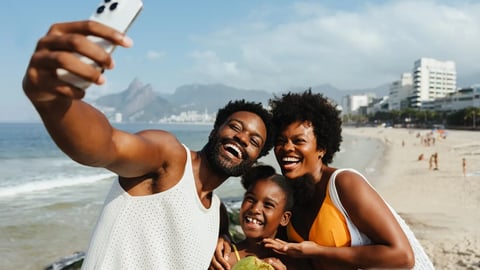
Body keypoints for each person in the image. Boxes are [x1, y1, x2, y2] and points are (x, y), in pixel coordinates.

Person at [22, 20, 275, 269]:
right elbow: (106, 145)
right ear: (215, 130)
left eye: (254, 141)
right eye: (235, 126)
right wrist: (53, 101)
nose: (242, 138)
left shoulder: (217, 214)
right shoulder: (169, 157)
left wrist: (226, 238)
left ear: (254, 159)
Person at [262, 90, 415, 269]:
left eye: (299, 141)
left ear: (322, 148)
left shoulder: (344, 184)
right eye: (281, 141)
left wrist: (317, 251)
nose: (287, 147)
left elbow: (402, 256)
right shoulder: (289, 194)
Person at [222, 165, 310, 270]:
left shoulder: (297, 259)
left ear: (284, 218)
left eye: (268, 205)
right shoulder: (225, 259)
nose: (255, 209)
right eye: (250, 199)